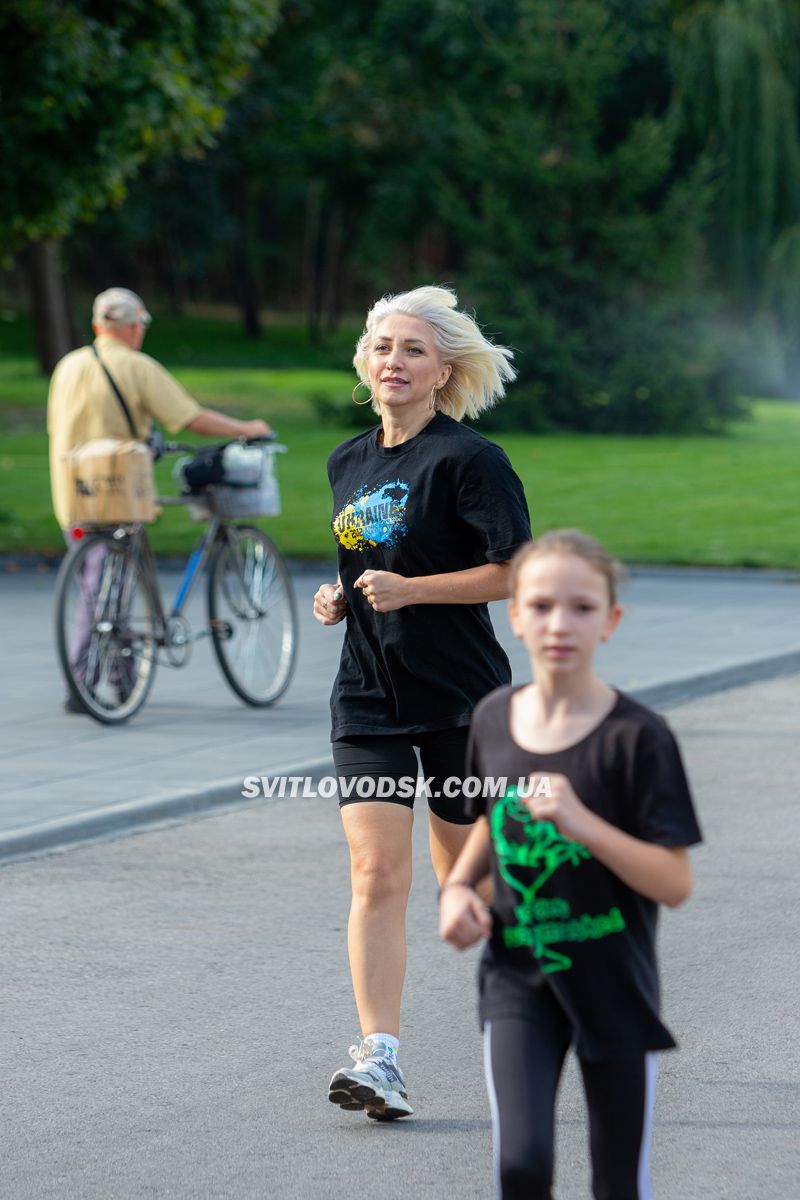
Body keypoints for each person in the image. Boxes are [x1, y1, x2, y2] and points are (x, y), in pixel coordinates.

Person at [313, 284, 531, 1120]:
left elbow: (514, 571)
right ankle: (380, 1058)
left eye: (411, 350)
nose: (393, 362)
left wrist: (415, 591)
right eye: (381, 348)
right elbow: (359, 566)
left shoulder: (470, 460)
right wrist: (337, 601)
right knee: (375, 872)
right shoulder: (346, 459)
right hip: (367, 696)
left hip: (460, 699)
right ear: (365, 364)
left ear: (443, 370)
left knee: (465, 890)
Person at [439, 530, 702, 1199]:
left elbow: (674, 883)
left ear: (610, 621)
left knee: (617, 1183)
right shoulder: (493, 717)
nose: (561, 624)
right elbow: (490, 820)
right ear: (516, 616)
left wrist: (583, 823)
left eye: (582, 607)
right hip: (517, 980)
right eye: (543, 605)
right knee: (521, 1166)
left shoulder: (637, 737)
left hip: (614, 982)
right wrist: (459, 889)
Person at [48, 287, 271, 713]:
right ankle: (85, 681)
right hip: (119, 490)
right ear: (134, 327)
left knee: (96, 586)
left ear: (98, 326)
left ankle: (121, 676)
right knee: (106, 591)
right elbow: (188, 418)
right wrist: (246, 426)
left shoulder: (68, 366)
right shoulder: (136, 366)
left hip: (73, 492)